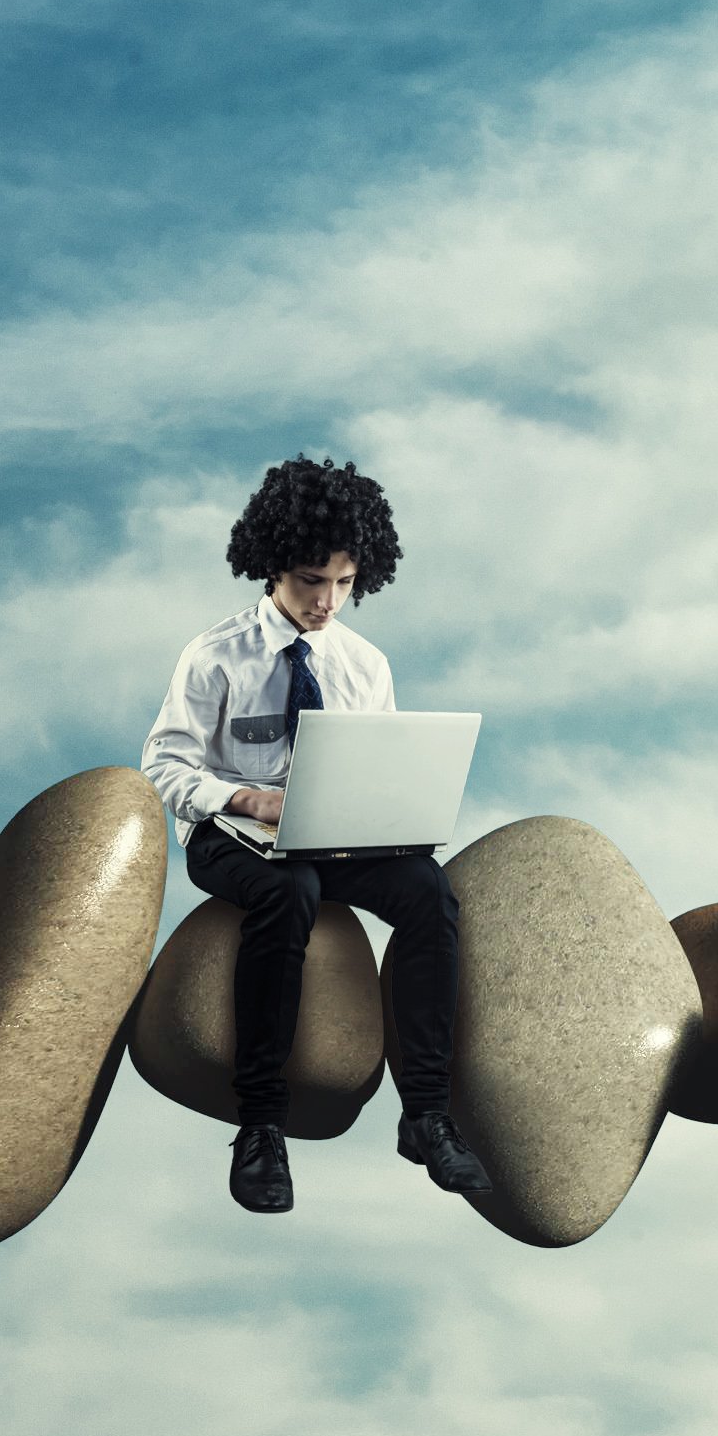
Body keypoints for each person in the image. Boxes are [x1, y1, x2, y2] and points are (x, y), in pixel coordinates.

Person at [140, 456, 494, 1214]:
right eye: (311, 580)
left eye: (343, 582)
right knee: (289, 893)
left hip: (332, 839)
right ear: (272, 564)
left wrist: (391, 820)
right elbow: (163, 765)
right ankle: (261, 1124)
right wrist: (247, 798)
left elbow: (382, 765)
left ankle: (426, 1114)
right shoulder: (214, 656)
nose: (328, 601)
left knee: (430, 894)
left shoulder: (365, 665)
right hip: (231, 840)